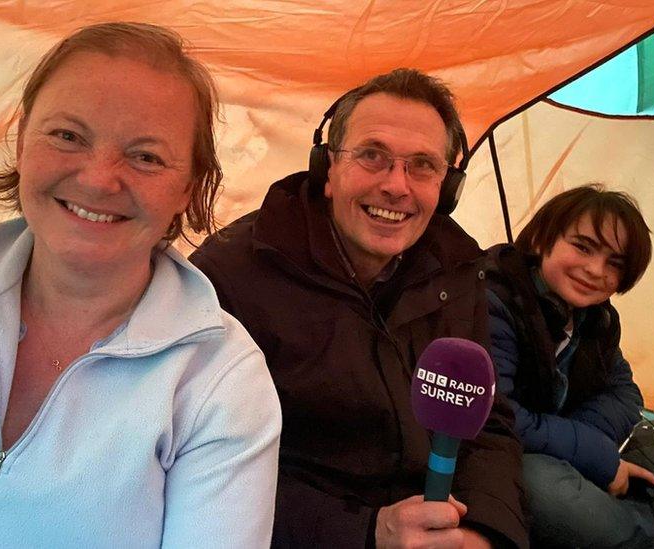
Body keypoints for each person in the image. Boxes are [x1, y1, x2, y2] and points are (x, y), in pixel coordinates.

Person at [0, 22, 281, 547]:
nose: (97, 178)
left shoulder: (220, 382)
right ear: (21, 143)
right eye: (67, 136)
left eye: (146, 156)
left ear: (188, 188)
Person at [190, 68, 527, 548]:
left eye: (423, 166)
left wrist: (485, 531)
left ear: (446, 188)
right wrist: (368, 533)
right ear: (327, 169)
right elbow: (200, 464)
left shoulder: (459, 271)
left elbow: (488, 422)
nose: (396, 185)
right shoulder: (230, 277)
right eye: (372, 156)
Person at [485, 184, 654, 548]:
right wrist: (594, 456)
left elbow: (625, 392)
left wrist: (589, 451)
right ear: (545, 237)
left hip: (571, 452)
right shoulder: (493, 302)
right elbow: (498, 416)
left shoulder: (597, 318)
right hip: (512, 458)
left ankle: (596, 520)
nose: (595, 270)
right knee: (541, 488)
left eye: (615, 263)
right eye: (583, 246)